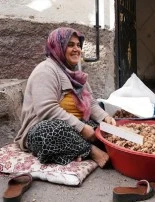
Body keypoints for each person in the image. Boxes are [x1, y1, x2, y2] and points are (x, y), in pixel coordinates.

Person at [14, 27, 116, 168]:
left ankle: (77, 149)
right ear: (58, 47)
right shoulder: (45, 71)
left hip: (74, 126)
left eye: (78, 45)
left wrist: (105, 118)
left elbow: (91, 103)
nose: (76, 49)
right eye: (70, 45)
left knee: (107, 130)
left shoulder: (76, 74)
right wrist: (81, 128)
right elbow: (47, 110)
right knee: (49, 133)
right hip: (43, 127)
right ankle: (91, 151)